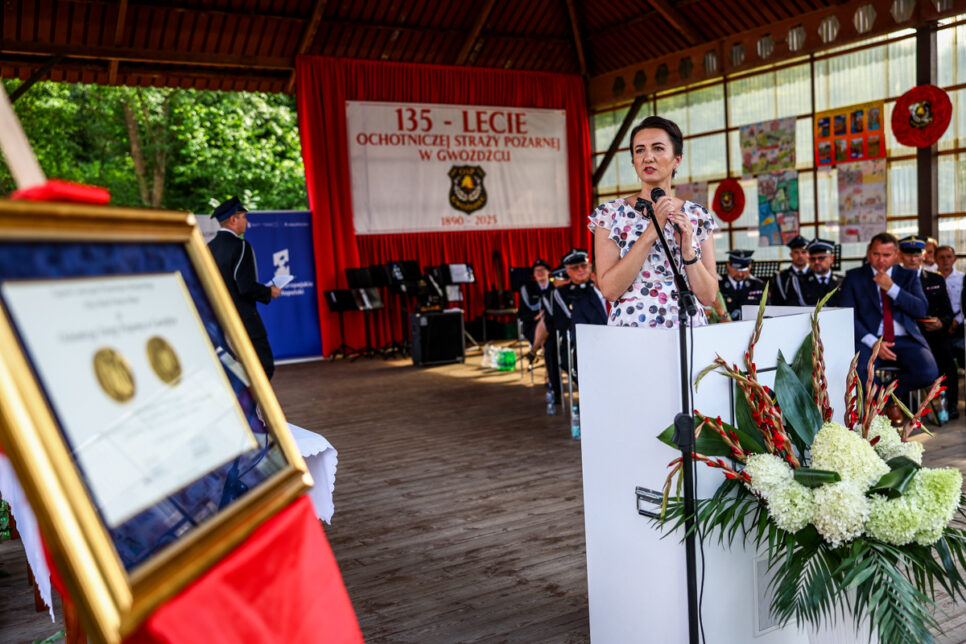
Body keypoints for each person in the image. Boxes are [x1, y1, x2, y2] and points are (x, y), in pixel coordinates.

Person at [589, 115, 719, 329]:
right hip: (632, 330)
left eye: (658, 148)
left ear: (677, 159)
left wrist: (688, 251)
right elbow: (610, 290)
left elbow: (708, 296)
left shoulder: (697, 216)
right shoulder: (610, 214)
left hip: (686, 328)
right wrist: (652, 230)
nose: (647, 157)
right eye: (639, 150)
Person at [838, 232, 938, 405]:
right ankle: (885, 405)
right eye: (876, 254)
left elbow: (920, 310)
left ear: (896, 255)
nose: (881, 260)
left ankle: (886, 400)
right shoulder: (854, 277)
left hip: (904, 338)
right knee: (858, 371)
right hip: (869, 338)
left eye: (886, 255)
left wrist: (892, 288)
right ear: (869, 254)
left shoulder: (908, 275)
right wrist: (873, 342)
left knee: (927, 372)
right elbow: (847, 315)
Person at [207, 197, 281, 380]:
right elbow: (245, 287)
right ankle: (254, 408)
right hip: (243, 319)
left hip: (220, 319)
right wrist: (269, 291)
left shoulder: (209, 247)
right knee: (263, 368)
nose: (247, 222)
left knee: (234, 369)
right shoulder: (240, 246)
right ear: (233, 220)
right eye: (244, 217)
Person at [531, 249, 606, 406]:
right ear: (567, 271)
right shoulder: (561, 292)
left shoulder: (600, 286)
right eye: (575, 267)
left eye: (584, 266)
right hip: (575, 341)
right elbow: (569, 317)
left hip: (604, 337)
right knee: (559, 352)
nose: (580, 270)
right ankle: (586, 395)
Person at [898, 235, 957, 418]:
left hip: (934, 332)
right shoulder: (894, 280)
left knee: (946, 356)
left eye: (917, 254)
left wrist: (941, 322)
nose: (913, 259)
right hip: (907, 333)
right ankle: (909, 407)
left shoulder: (935, 279)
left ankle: (949, 406)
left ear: (923, 256)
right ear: (901, 256)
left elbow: (948, 311)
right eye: (909, 255)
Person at [719, 249, 765, 320]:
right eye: (736, 269)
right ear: (728, 265)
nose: (740, 274)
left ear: (750, 267)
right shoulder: (719, 286)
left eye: (743, 269)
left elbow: (766, 311)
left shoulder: (758, 286)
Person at [518, 259, 553, 345]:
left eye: (542, 270)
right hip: (533, 326)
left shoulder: (555, 287)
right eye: (537, 270)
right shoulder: (528, 290)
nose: (540, 272)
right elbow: (521, 314)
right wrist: (536, 316)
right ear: (533, 274)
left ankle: (533, 351)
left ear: (548, 271)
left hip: (555, 324)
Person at [800, 238, 843, 306]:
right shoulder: (800, 282)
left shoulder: (842, 282)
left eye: (821, 258)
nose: (816, 262)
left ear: (831, 259)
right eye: (812, 259)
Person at [935, 245, 963, 350]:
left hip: (958, 324)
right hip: (937, 324)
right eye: (941, 257)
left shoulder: (963, 279)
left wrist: (956, 322)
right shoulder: (929, 278)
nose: (945, 260)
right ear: (935, 260)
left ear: (954, 259)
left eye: (949, 257)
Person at [769, 234, 809, 306]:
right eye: (796, 252)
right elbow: (776, 302)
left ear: (809, 254)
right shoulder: (781, 277)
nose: (800, 256)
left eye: (804, 252)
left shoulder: (816, 275)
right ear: (791, 254)